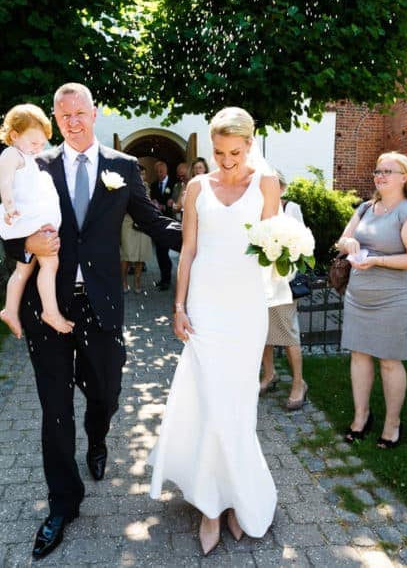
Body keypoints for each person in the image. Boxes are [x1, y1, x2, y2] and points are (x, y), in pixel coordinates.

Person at [0, 83, 181, 560]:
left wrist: (208, 238)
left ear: (95, 114)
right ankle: (63, 502)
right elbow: (12, 224)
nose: (74, 121)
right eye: (65, 115)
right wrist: (25, 249)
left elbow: (152, 221)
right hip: (49, 306)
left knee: (105, 391)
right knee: (54, 406)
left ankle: (98, 437)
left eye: (81, 112)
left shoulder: (123, 168)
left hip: (101, 302)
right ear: (56, 120)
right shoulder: (37, 164)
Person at [149, 107, 281, 556]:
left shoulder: (266, 185)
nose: (227, 161)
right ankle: (210, 505)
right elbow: (187, 251)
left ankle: (234, 500)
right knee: (208, 401)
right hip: (205, 305)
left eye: (236, 152)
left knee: (238, 406)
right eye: (220, 152)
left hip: (245, 308)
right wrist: (179, 305)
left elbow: (275, 250)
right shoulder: (196, 187)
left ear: (251, 144)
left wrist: (288, 254)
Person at [336, 152, 407, 448]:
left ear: (405, 177)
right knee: (359, 355)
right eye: (378, 170)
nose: (381, 175)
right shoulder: (365, 207)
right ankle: (361, 417)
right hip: (359, 294)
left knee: (389, 361)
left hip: (393, 297)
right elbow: (343, 240)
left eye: (389, 170)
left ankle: (392, 423)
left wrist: (376, 261)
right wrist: (348, 243)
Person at [0, 104, 73, 337]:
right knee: (50, 264)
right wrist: (9, 205)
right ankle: (50, 311)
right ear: (15, 135)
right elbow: (5, 183)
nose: (39, 148)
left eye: (42, 143)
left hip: (35, 218)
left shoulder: (31, 156)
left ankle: (10, 310)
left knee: (23, 270)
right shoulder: (11, 154)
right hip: (25, 217)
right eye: (34, 142)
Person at [258, 171, 309, 411]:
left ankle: (299, 383)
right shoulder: (255, 209)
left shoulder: (291, 209)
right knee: (261, 333)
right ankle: (269, 374)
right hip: (257, 282)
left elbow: (300, 245)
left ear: (281, 187)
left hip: (282, 281)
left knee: (288, 333)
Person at [121, 164, 153, 293]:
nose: (141, 176)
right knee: (127, 255)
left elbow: (148, 204)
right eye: (139, 173)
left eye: (143, 174)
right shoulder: (124, 186)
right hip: (128, 222)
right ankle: (123, 281)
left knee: (141, 254)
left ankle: (137, 281)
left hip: (143, 224)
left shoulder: (146, 187)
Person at [149, 159, 175, 290]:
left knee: (165, 252)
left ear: (166, 170)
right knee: (160, 252)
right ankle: (164, 278)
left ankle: (167, 279)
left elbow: (176, 200)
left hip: (172, 222)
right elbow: (152, 201)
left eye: (161, 171)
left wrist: (167, 206)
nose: (159, 173)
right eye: (157, 171)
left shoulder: (174, 184)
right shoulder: (153, 186)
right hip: (159, 223)